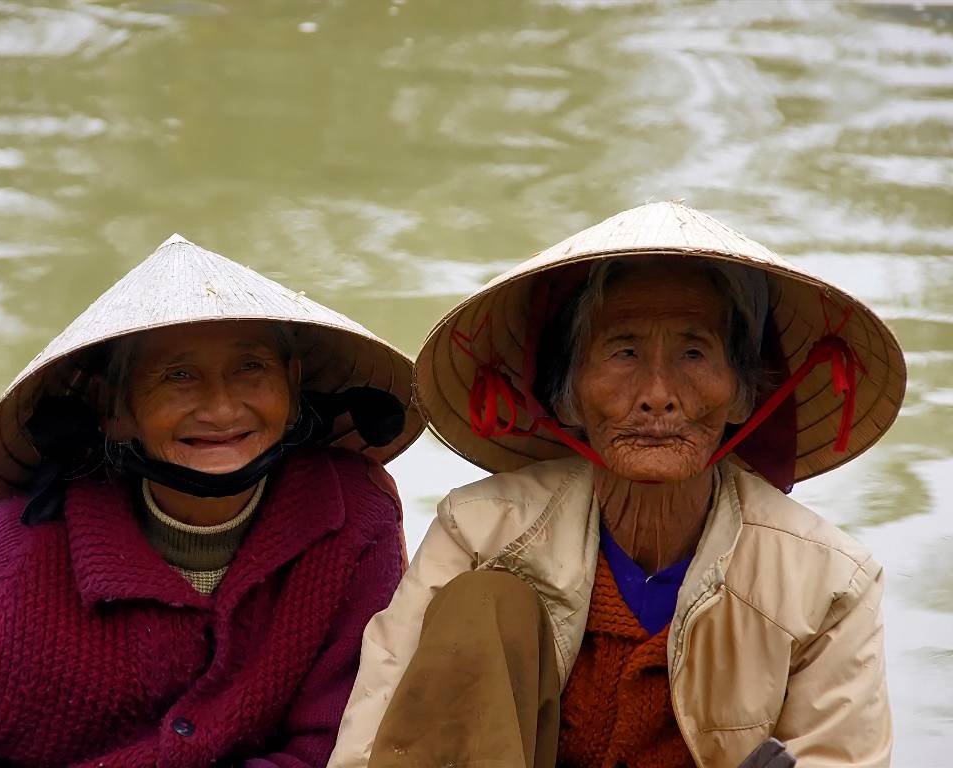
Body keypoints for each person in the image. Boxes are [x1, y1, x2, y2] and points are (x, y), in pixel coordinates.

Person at [329, 202, 904, 768]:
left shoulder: (828, 579)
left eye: (694, 352)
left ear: (744, 394)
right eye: (623, 351)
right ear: (567, 393)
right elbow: (371, 745)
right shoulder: (478, 532)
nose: (658, 391)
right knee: (486, 601)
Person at [0, 234, 423, 767]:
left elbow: (340, 741)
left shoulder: (352, 514)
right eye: (179, 376)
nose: (221, 407)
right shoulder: (21, 541)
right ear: (112, 409)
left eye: (250, 368)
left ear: (293, 384)